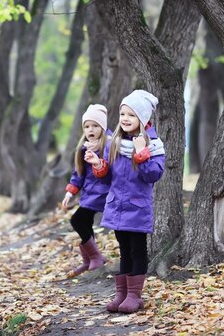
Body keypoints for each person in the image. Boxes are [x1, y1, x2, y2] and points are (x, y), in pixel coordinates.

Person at [86, 90, 165, 314]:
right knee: (123, 251)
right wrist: (98, 165)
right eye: (122, 113)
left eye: (131, 114)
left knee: (137, 250)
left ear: (143, 118)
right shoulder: (116, 144)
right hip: (117, 207)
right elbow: (110, 176)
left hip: (137, 207)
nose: (125, 118)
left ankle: (134, 296)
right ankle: (121, 293)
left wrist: (141, 154)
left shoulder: (153, 145)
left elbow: (153, 175)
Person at [62, 104, 111, 277]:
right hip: (89, 193)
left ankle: (96, 256)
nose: (91, 129)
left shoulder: (109, 145)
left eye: (95, 126)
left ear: (102, 127)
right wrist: (70, 191)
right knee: (84, 222)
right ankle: (89, 259)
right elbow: (79, 173)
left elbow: (110, 171)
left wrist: (97, 161)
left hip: (103, 192)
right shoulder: (84, 148)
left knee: (77, 220)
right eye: (87, 126)